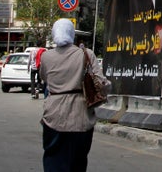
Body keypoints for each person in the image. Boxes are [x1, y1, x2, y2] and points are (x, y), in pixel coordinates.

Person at [39, 18, 110, 172]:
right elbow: (100, 82)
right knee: (78, 161)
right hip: (81, 116)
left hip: (54, 115)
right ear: (72, 34)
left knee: (53, 158)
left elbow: (44, 79)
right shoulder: (86, 54)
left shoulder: (46, 56)